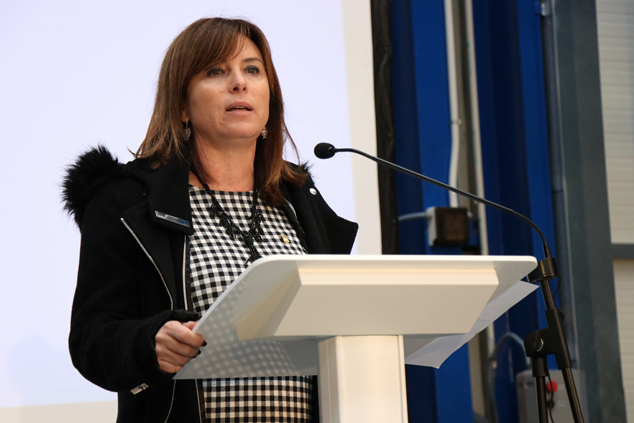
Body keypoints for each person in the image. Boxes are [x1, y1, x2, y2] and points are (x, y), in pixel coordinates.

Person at [63, 17, 358, 423]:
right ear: (182, 106)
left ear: (270, 97)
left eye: (252, 70)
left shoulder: (299, 202)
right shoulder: (129, 201)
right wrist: (147, 342)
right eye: (216, 71)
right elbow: (91, 338)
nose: (239, 83)